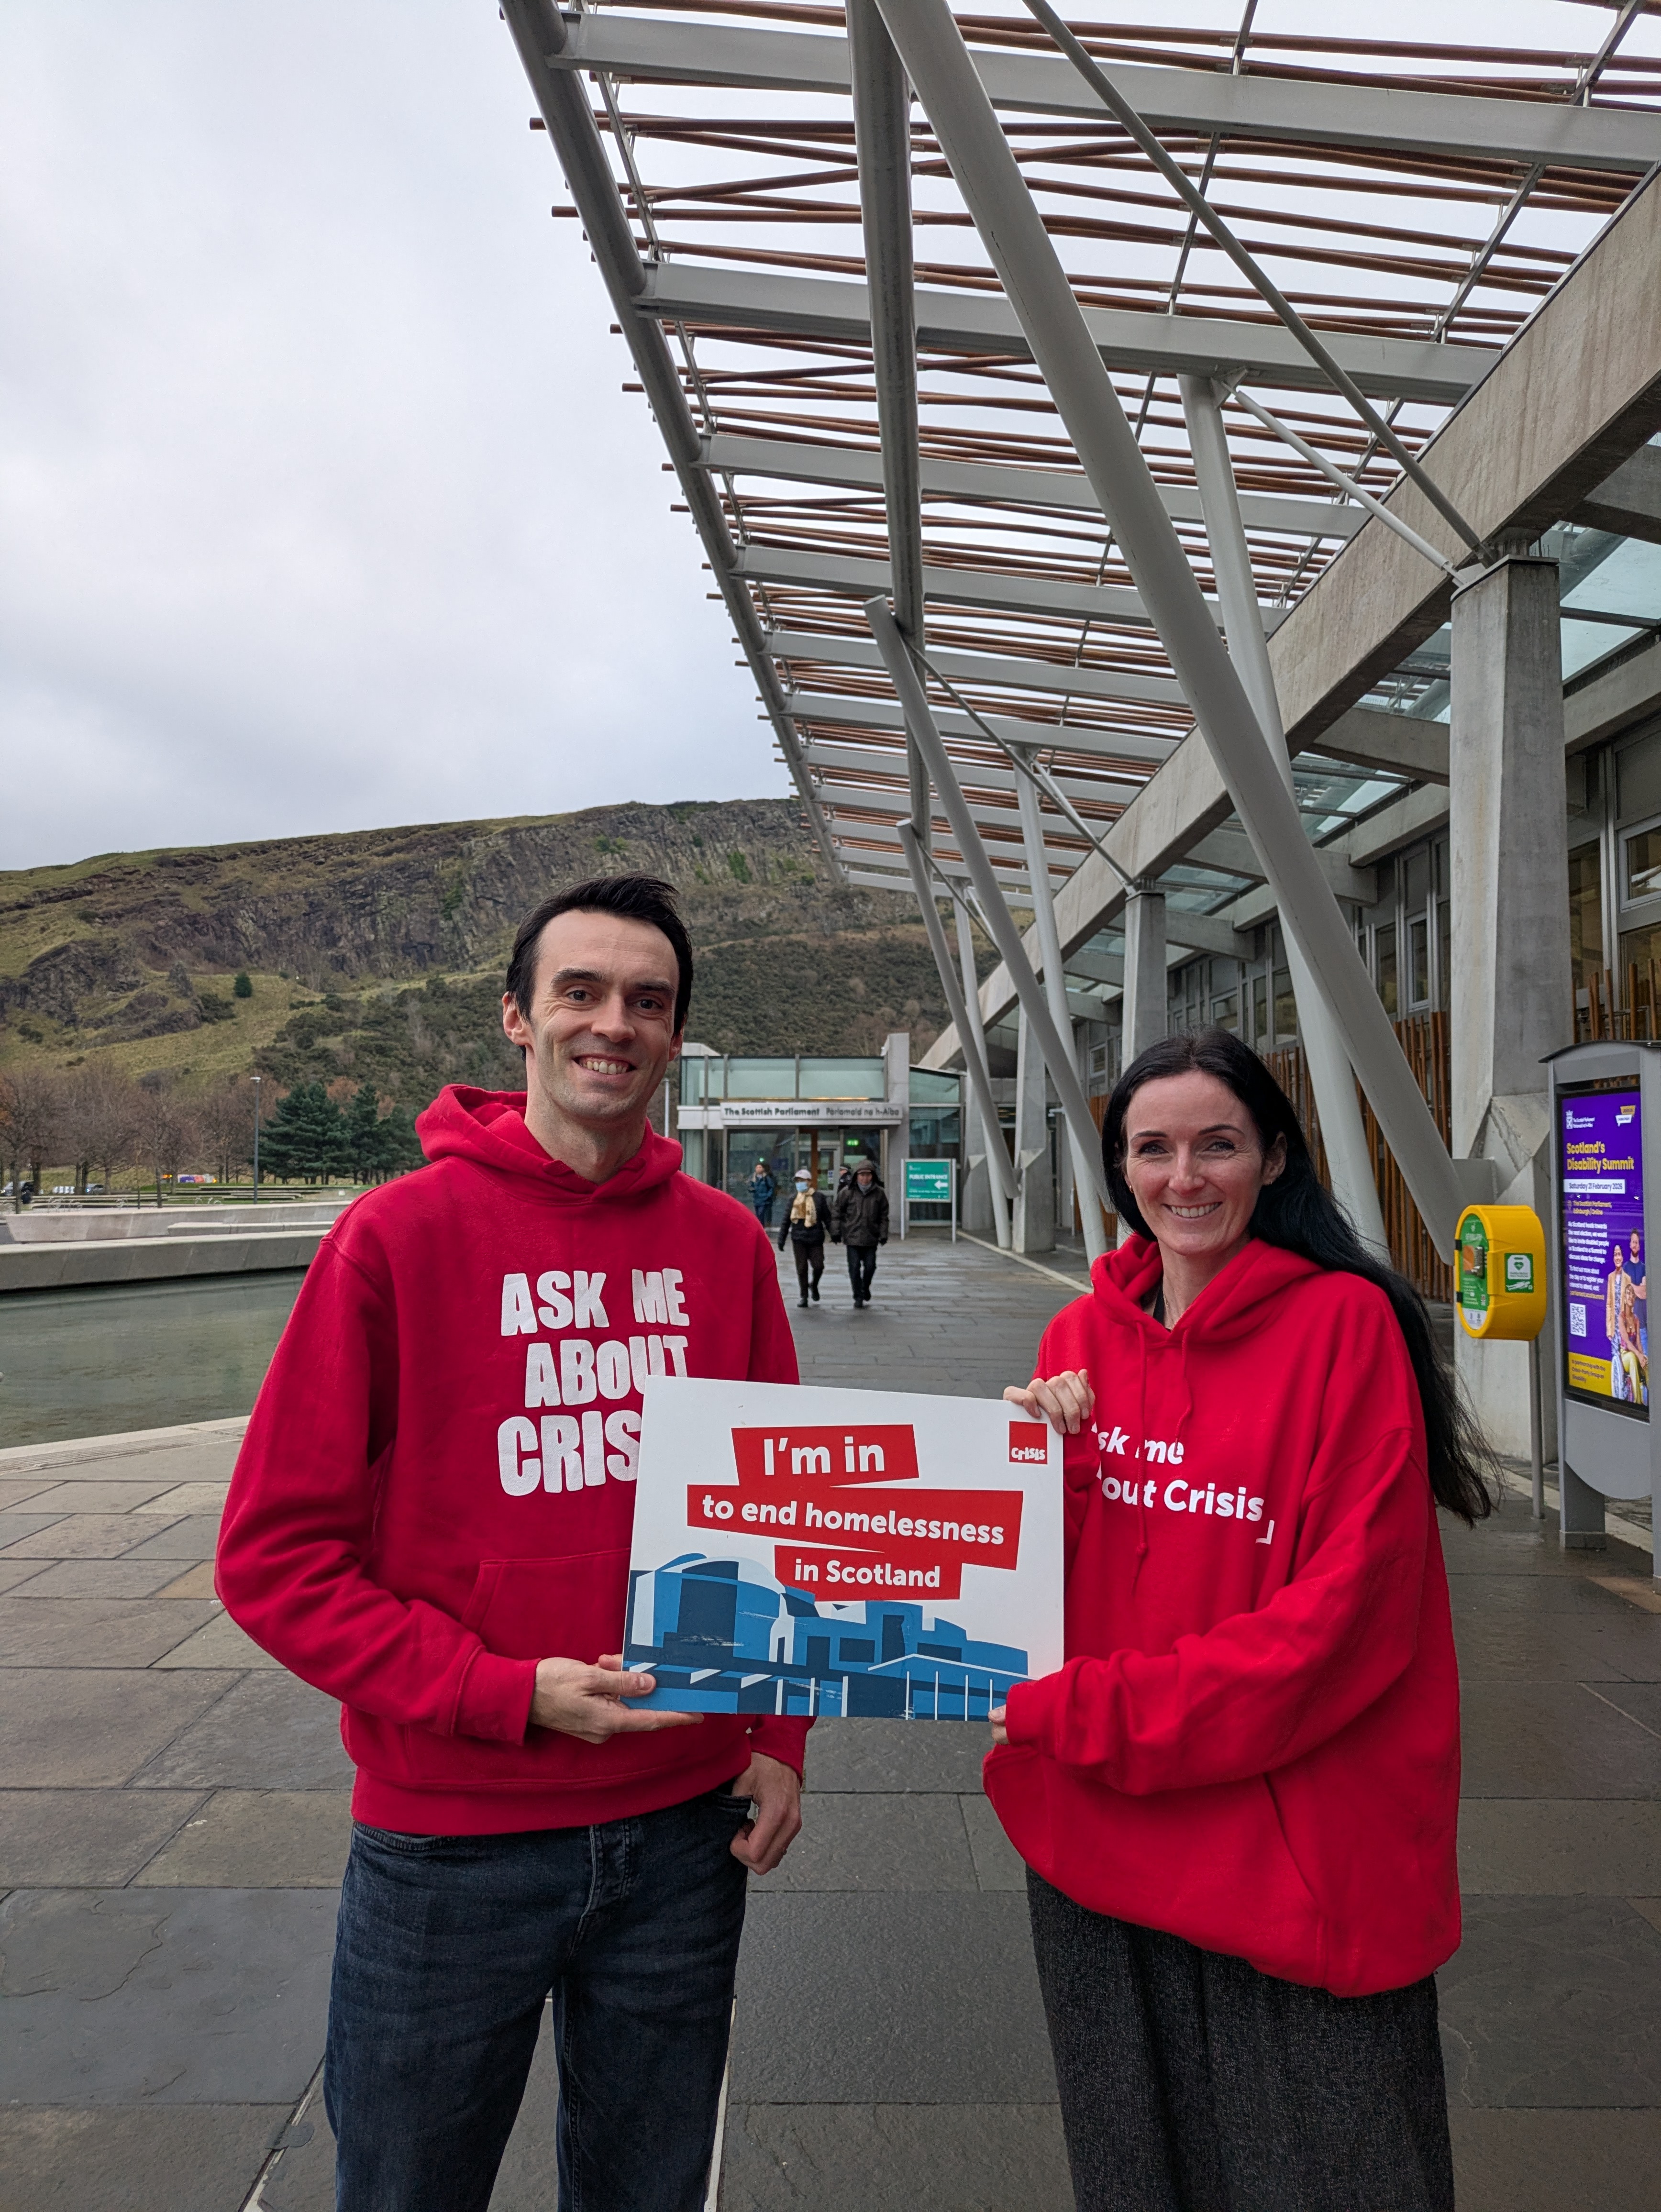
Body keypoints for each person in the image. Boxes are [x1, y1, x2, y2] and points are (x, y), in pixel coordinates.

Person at [216, 873, 808, 2212]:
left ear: (675, 1035)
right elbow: (273, 1557)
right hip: (452, 1843)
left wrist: (779, 1739)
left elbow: (778, 1520)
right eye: (581, 993)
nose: (615, 1023)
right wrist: (498, 1691)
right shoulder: (396, 1238)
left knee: (648, 2188)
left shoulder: (725, 1247)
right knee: (411, 2187)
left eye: (647, 1002)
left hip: (682, 1832)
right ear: (517, 1022)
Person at [992, 1028, 1491, 2212]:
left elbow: (1342, 1626)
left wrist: (1084, 1710)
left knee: (1325, 2172)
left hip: (1288, 1856)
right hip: (1102, 1838)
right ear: (1121, 1168)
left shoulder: (1347, 1324)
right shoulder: (1078, 1342)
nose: (1184, 1177)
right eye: (1153, 1148)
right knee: (1136, 2173)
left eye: (1218, 1143)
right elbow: (1039, 1590)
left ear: (1274, 1156)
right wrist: (1033, 1472)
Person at [831, 1158, 889, 1308]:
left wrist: (883, 1234)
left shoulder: (879, 1194)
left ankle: (865, 1287)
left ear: (872, 1176)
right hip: (852, 1237)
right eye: (862, 1175)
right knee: (854, 1267)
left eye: (868, 1175)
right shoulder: (847, 1192)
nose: (865, 1178)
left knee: (871, 1267)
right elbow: (837, 1212)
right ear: (857, 1176)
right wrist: (836, 1232)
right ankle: (858, 1295)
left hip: (871, 1237)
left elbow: (884, 1216)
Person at [778, 1168, 831, 1308]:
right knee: (802, 1269)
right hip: (799, 1239)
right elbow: (786, 1220)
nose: (800, 1183)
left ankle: (814, 1285)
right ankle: (804, 1296)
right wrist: (782, 1239)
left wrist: (834, 1233)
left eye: (802, 1181)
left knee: (819, 1266)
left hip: (816, 1238)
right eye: (798, 1181)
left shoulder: (819, 1198)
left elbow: (827, 1217)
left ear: (809, 1182)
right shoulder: (793, 1199)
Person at [747, 1156, 777, 1228]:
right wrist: (751, 1189)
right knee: (758, 1216)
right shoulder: (754, 1178)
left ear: (763, 1169)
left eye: (760, 1167)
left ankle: (761, 1228)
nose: (758, 1169)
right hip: (757, 1200)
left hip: (764, 1200)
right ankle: (760, 1228)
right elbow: (751, 1187)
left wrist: (768, 1196)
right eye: (757, 1168)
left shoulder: (766, 1178)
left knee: (761, 1214)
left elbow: (771, 1187)